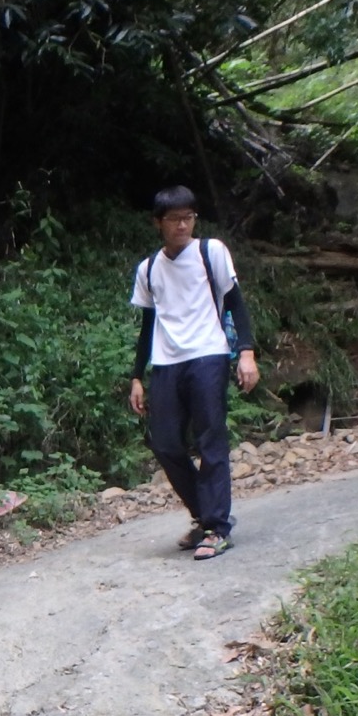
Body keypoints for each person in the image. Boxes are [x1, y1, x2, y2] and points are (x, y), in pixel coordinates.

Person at [127, 185, 259, 560]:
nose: (182, 225)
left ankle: (217, 528)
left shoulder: (210, 252)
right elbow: (148, 324)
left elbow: (234, 302)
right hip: (166, 362)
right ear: (159, 223)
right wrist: (137, 375)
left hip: (208, 354)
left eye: (189, 217)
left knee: (209, 440)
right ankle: (205, 515)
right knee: (165, 442)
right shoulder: (149, 268)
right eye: (174, 219)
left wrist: (245, 352)